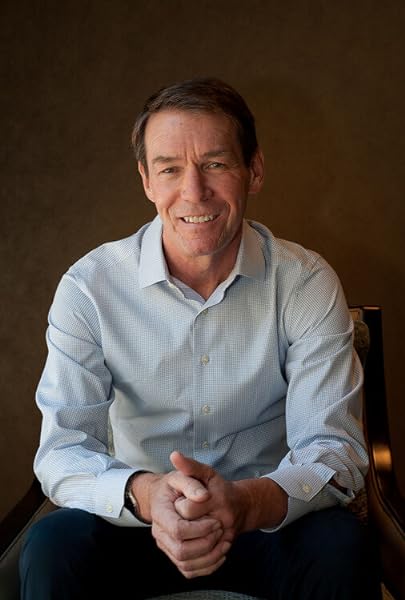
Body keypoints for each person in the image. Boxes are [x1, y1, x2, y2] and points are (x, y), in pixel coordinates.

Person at [20, 77, 382, 599]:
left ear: (254, 170)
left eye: (215, 163)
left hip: (265, 519)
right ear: (147, 180)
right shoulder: (89, 288)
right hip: (140, 523)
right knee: (53, 546)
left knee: (341, 545)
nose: (194, 191)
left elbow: (333, 450)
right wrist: (148, 494)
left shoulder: (305, 282)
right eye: (170, 168)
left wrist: (245, 502)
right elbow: (62, 451)